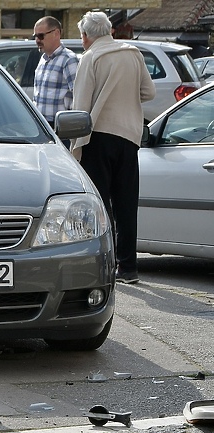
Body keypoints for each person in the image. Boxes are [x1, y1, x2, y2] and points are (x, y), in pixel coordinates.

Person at [70, 11, 155, 284]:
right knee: (126, 204)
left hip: (98, 136)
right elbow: (149, 93)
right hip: (129, 136)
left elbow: (81, 106)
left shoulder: (91, 57)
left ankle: (104, 265)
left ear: (86, 36)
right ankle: (128, 267)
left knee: (100, 205)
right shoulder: (133, 53)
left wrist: (75, 146)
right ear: (110, 31)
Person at [32, 16, 78, 134]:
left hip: (60, 130)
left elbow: (78, 97)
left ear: (56, 33)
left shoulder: (68, 60)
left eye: (41, 36)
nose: (37, 40)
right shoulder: (43, 59)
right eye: (35, 36)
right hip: (41, 128)